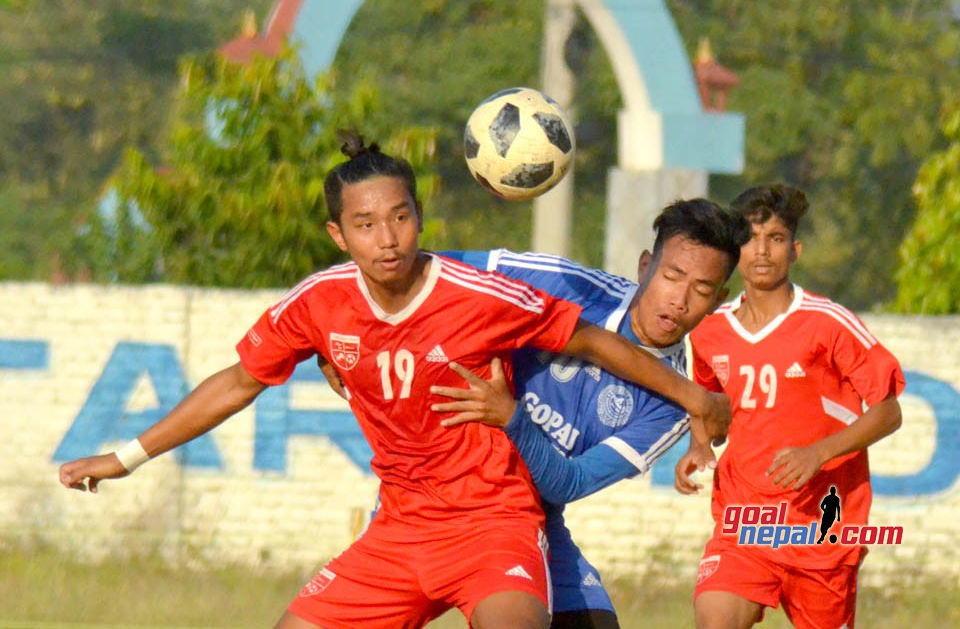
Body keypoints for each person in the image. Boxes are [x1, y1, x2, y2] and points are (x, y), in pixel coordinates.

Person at [59, 132, 730, 629]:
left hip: (499, 519)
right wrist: (125, 457)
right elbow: (238, 382)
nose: (388, 239)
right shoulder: (318, 304)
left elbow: (587, 346)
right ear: (338, 233)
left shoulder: (480, 297)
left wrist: (696, 399)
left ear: (419, 217)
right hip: (401, 526)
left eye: (401, 218)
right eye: (366, 224)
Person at [415, 198, 750, 629]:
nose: (680, 300)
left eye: (702, 291)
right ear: (645, 266)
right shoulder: (567, 285)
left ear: (719, 300)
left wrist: (512, 418)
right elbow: (429, 270)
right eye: (671, 276)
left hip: (529, 515)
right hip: (437, 491)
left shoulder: (670, 411)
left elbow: (564, 484)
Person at [674, 184, 904, 629]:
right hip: (745, 523)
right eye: (749, 239)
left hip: (823, 529)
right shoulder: (709, 332)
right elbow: (707, 403)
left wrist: (819, 452)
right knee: (714, 618)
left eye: (775, 239)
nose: (761, 252)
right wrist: (698, 445)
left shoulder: (827, 323)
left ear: (794, 250)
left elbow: (888, 411)